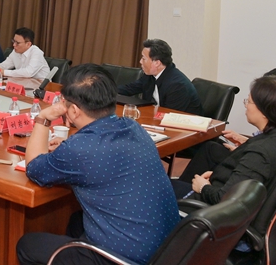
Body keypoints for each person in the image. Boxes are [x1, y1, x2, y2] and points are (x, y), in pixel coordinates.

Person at [17, 64, 180, 265]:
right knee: (76, 221)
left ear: (73, 110)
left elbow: (34, 168)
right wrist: (70, 147)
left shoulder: (80, 149)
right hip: (170, 251)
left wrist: (43, 117)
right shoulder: (133, 127)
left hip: (125, 259)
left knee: (28, 245)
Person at [173, 73, 276, 204]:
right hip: (222, 187)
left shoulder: (260, 153)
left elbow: (226, 200)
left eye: (249, 101)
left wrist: (203, 187)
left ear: (265, 112)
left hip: (207, 207)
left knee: (162, 187)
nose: (246, 105)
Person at [118, 38, 203, 115]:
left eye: (143, 58)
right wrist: (110, 92)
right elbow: (129, 89)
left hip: (184, 123)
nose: (140, 61)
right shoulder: (150, 76)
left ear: (157, 63)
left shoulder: (177, 85)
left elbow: (170, 115)